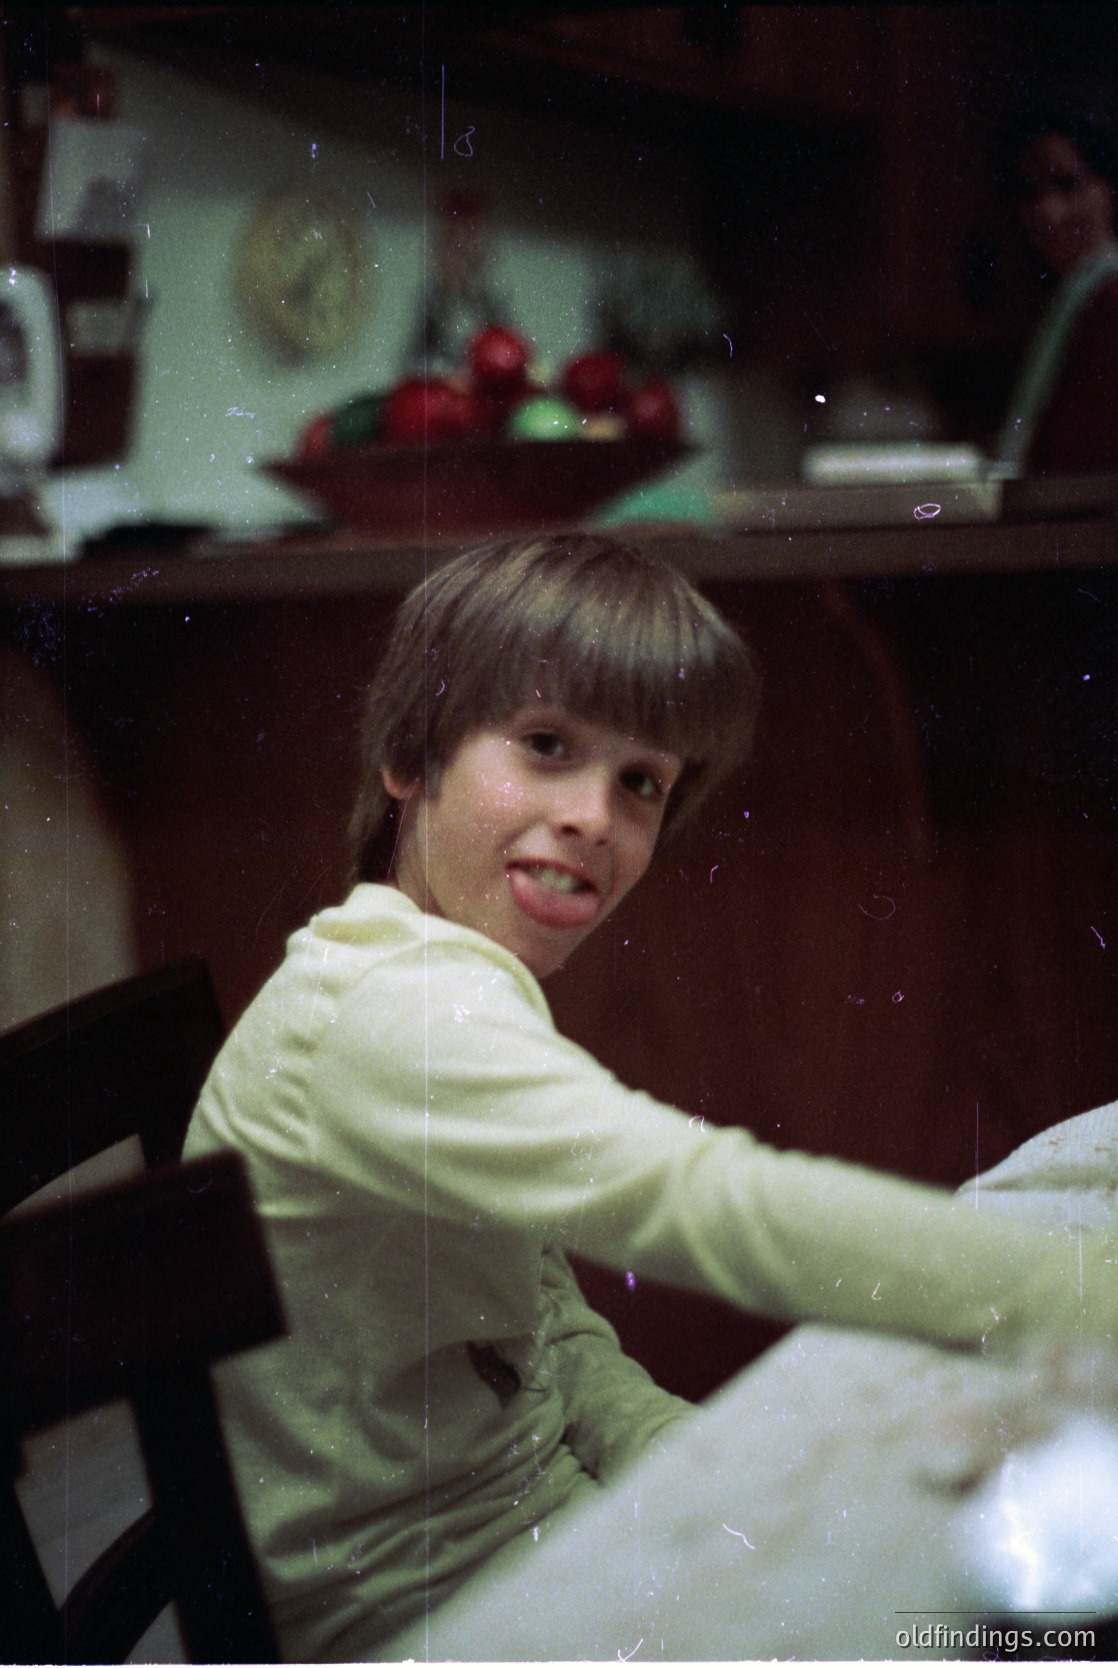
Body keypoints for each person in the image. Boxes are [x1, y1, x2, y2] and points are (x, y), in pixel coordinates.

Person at [184, 535, 1118, 1662]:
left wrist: (692, 1463)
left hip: (535, 1529)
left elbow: (545, 1334)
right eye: (544, 746)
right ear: (409, 757)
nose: (593, 815)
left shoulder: (450, 978)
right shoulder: (395, 1017)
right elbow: (697, 1198)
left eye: (640, 782)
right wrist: (1076, 1294)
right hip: (418, 1617)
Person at [994, 103, 1118, 475]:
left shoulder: (1111, 299)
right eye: (1030, 194)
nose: (1047, 210)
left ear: (1108, 189)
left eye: (1068, 185)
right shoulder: (1074, 297)